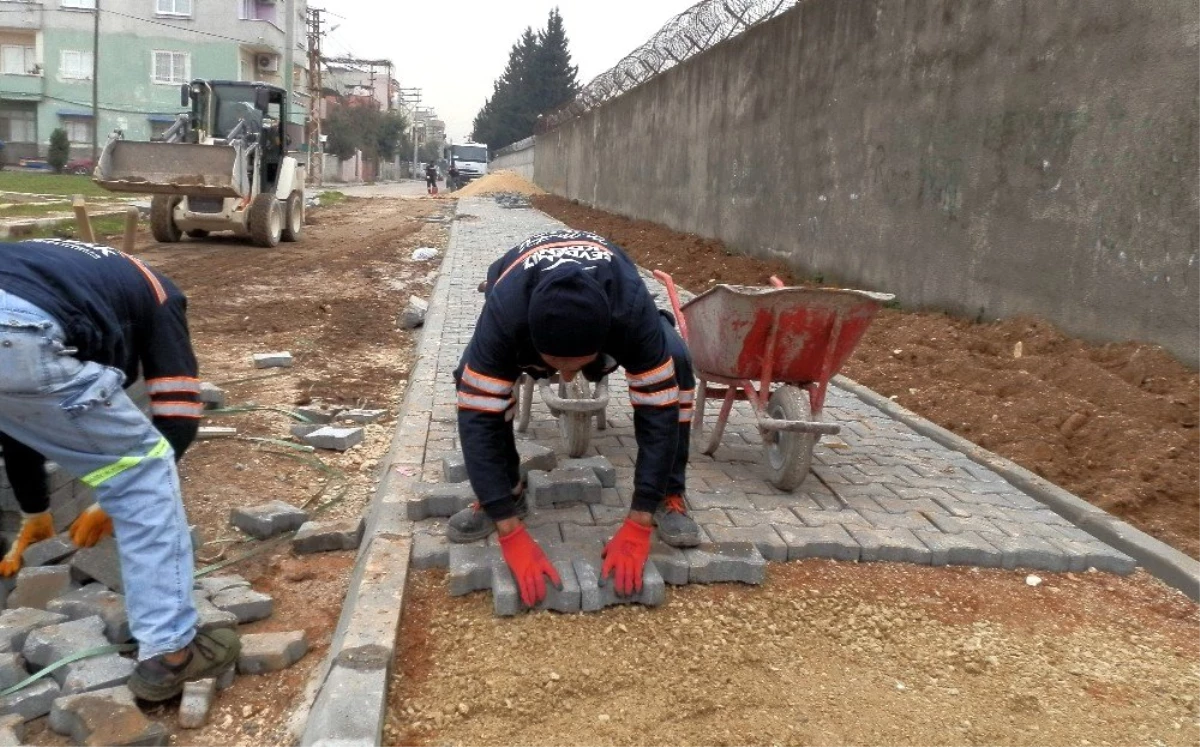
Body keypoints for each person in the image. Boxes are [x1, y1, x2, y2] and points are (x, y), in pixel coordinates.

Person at [0, 238, 239, 702]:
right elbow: (177, 415)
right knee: (146, 473)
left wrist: (34, 511)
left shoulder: (41, 266)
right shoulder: (159, 291)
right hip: (17, 332)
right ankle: (171, 655)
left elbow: (16, 412)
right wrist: (119, 495)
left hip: (15, 331)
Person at [448, 229, 701, 608]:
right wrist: (507, 528)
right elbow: (476, 418)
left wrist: (639, 518)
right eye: (556, 368)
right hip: (517, 286)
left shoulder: (630, 309)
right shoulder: (505, 313)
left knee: (676, 366)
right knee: (474, 383)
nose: (566, 378)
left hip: (613, 283)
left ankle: (669, 494)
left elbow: (658, 414)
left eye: (577, 367)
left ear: (606, 340)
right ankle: (507, 493)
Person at [0, 369, 200, 575]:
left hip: (141, 458)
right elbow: (22, 416)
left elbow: (180, 416)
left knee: (152, 570)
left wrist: (128, 490)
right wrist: (34, 510)